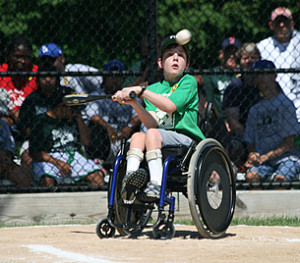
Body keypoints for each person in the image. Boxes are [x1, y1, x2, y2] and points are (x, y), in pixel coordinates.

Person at [112, 35, 205, 203]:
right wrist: (133, 101)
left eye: (181, 55)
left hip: (186, 142)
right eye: (170, 54)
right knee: (138, 136)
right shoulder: (155, 89)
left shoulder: (188, 81)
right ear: (160, 63)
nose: (175, 57)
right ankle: (129, 181)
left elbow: (169, 106)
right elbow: (152, 122)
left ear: (187, 65)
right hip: (159, 138)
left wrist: (141, 90)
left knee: (153, 134)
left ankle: (155, 184)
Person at [29, 86, 105, 187]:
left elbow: (86, 142)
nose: (74, 113)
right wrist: (58, 163)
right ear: (61, 106)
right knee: (47, 181)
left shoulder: (73, 118)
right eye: (72, 110)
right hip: (49, 158)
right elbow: (35, 153)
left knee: (97, 177)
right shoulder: (41, 121)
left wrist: (79, 119)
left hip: (73, 156)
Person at [244, 60, 300, 183]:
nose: (260, 78)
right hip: (262, 159)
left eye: (264, 73)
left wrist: (265, 156)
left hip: (287, 157)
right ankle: (259, 203)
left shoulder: (285, 104)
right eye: (257, 74)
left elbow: (289, 143)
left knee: (280, 179)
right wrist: (253, 154)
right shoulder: (255, 109)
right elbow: (250, 141)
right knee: (251, 176)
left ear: (274, 76)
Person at [84, 59, 141, 162]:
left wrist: (129, 127)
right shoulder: (96, 96)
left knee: (140, 127)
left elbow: (139, 115)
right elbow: (93, 116)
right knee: (95, 128)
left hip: (125, 138)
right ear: (105, 78)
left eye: (118, 76)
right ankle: (98, 162)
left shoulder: (128, 95)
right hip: (105, 139)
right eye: (112, 76)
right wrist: (107, 127)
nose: (115, 80)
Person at [256, 7, 300, 121]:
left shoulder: (298, 43)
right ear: (271, 25)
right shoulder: (262, 47)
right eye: (278, 22)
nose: (281, 25)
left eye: (285, 21)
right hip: (272, 107)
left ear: (292, 24)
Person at [16, 62, 61, 172]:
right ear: (38, 80)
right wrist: (38, 138)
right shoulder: (31, 100)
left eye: (51, 76)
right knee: (27, 159)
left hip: (61, 140)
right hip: (35, 141)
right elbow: (24, 126)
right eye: (44, 77)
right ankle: (30, 186)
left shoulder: (61, 98)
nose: (47, 80)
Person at [222, 43, 262, 167]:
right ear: (239, 62)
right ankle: (240, 173)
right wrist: (251, 141)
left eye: (253, 57)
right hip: (243, 135)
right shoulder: (234, 87)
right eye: (245, 58)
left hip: (267, 131)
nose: (249, 61)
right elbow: (234, 123)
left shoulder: (268, 84)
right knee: (234, 146)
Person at [38, 43, 104, 96]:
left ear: (62, 59)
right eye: (44, 60)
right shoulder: (41, 78)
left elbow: (101, 80)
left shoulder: (75, 69)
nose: (48, 63)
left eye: (51, 60)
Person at [0, 36, 38, 127]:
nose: (22, 61)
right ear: (8, 55)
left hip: (31, 123)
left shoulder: (36, 73)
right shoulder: (2, 72)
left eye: (27, 57)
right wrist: (13, 113)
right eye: (18, 56)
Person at [202, 37, 241, 118]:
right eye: (228, 52)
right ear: (221, 54)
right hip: (218, 120)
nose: (231, 56)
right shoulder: (212, 74)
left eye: (235, 52)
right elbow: (210, 102)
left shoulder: (243, 74)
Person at [0, 88, 32, 186]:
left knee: (24, 177)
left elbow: (9, 146)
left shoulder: (3, 125)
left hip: (2, 163)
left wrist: (6, 155)